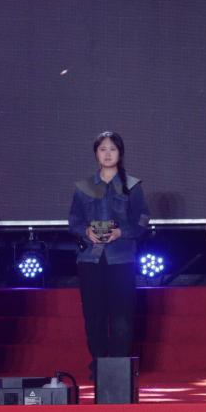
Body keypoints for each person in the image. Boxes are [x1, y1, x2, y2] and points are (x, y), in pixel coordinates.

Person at [67, 131, 150, 375]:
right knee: (94, 316)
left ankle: (119, 368)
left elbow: (143, 219)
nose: (107, 153)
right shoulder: (84, 187)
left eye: (112, 149)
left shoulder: (131, 186)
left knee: (122, 315)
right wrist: (86, 231)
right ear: (96, 153)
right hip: (90, 259)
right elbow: (73, 221)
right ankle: (99, 364)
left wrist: (121, 232)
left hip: (121, 258)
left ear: (120, 153)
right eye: (102, 149)